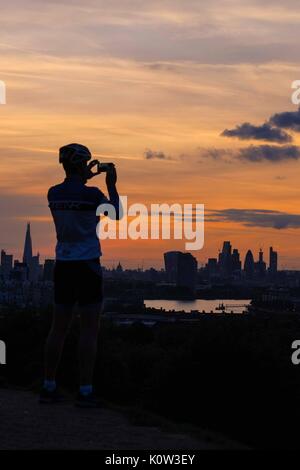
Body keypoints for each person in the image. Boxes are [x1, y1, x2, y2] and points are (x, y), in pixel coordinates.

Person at [39, 143, 120, 407]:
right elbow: (116, 213)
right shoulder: (94, 195)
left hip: (62, 265)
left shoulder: (53, 194)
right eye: (86, 164)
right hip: (87, 266)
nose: (89, 168)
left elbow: (72, 195)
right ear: (78, 164)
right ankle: (85, 391)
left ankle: (48, 385)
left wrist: (84, 177)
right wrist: (111, 183)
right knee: (89, 331)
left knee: (58, 329)